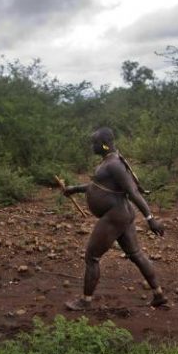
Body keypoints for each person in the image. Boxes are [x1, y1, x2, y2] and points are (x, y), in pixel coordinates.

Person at [63, 127, 168, 310]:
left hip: (116, 216)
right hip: (121, 215)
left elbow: (132, 192)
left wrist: (150, 218)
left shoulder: (114, 164)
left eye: (94, 143)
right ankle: (158, 294)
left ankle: (85, 301)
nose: (92, 146)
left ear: (104, 144)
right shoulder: (109, 161)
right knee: (135, 254)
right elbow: (98, 186)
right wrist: (75, 189)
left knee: (92, 257)